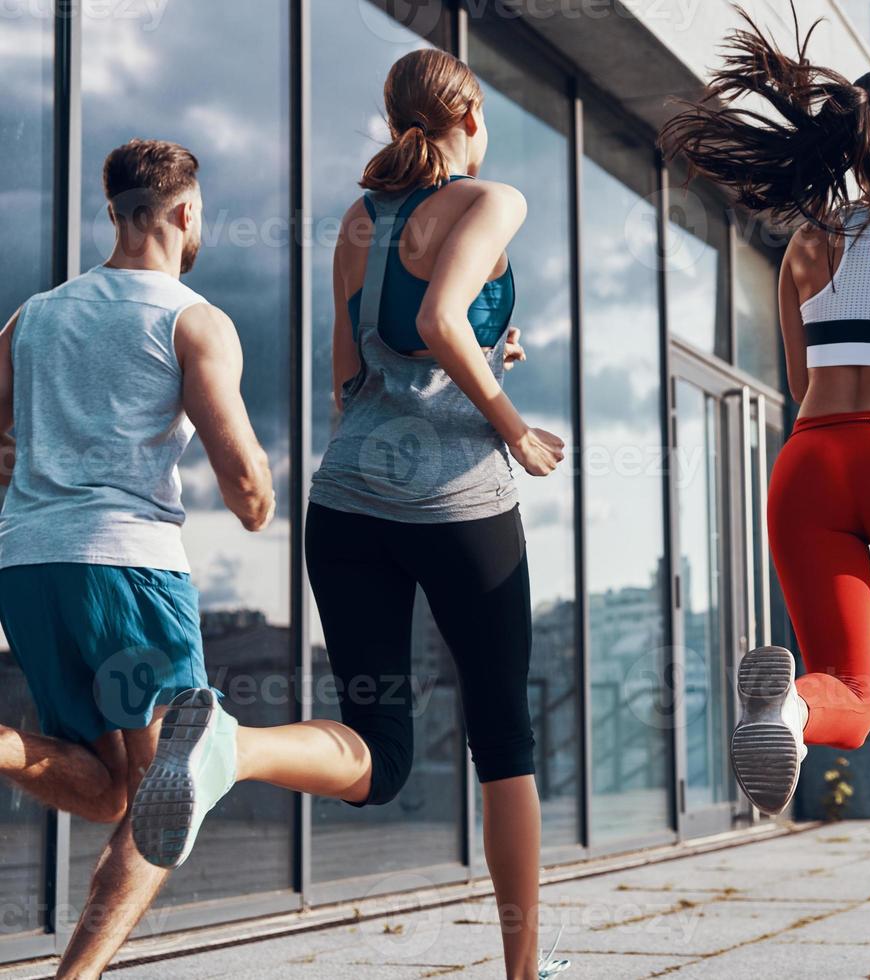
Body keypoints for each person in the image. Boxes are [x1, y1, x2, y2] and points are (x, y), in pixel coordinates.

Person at [128, 50, 569, 980]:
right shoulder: (496, 203)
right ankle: (526, 972)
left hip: (349, 503)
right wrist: (511, 426)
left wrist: (486, 357)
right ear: (472, 119)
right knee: (502, 738)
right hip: (460, 509)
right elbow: (444, 323)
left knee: (381, 754)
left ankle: (234, 749)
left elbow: (351, 378)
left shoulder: (362, 220)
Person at [661, 10, 870, 974]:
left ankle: (792, 716)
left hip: (809, 461)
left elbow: (800, 375)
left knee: (848, 690)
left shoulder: (805, 247)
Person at [0, 138, 276, 979]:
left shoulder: (33, 316)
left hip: (30, 570)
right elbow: (244, 482)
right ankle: (76, 976)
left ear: (114, 210)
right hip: (129, 571)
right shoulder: (190, 319)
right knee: (168, 802)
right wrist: (259, 499)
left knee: (116, 792)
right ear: (187, 212)